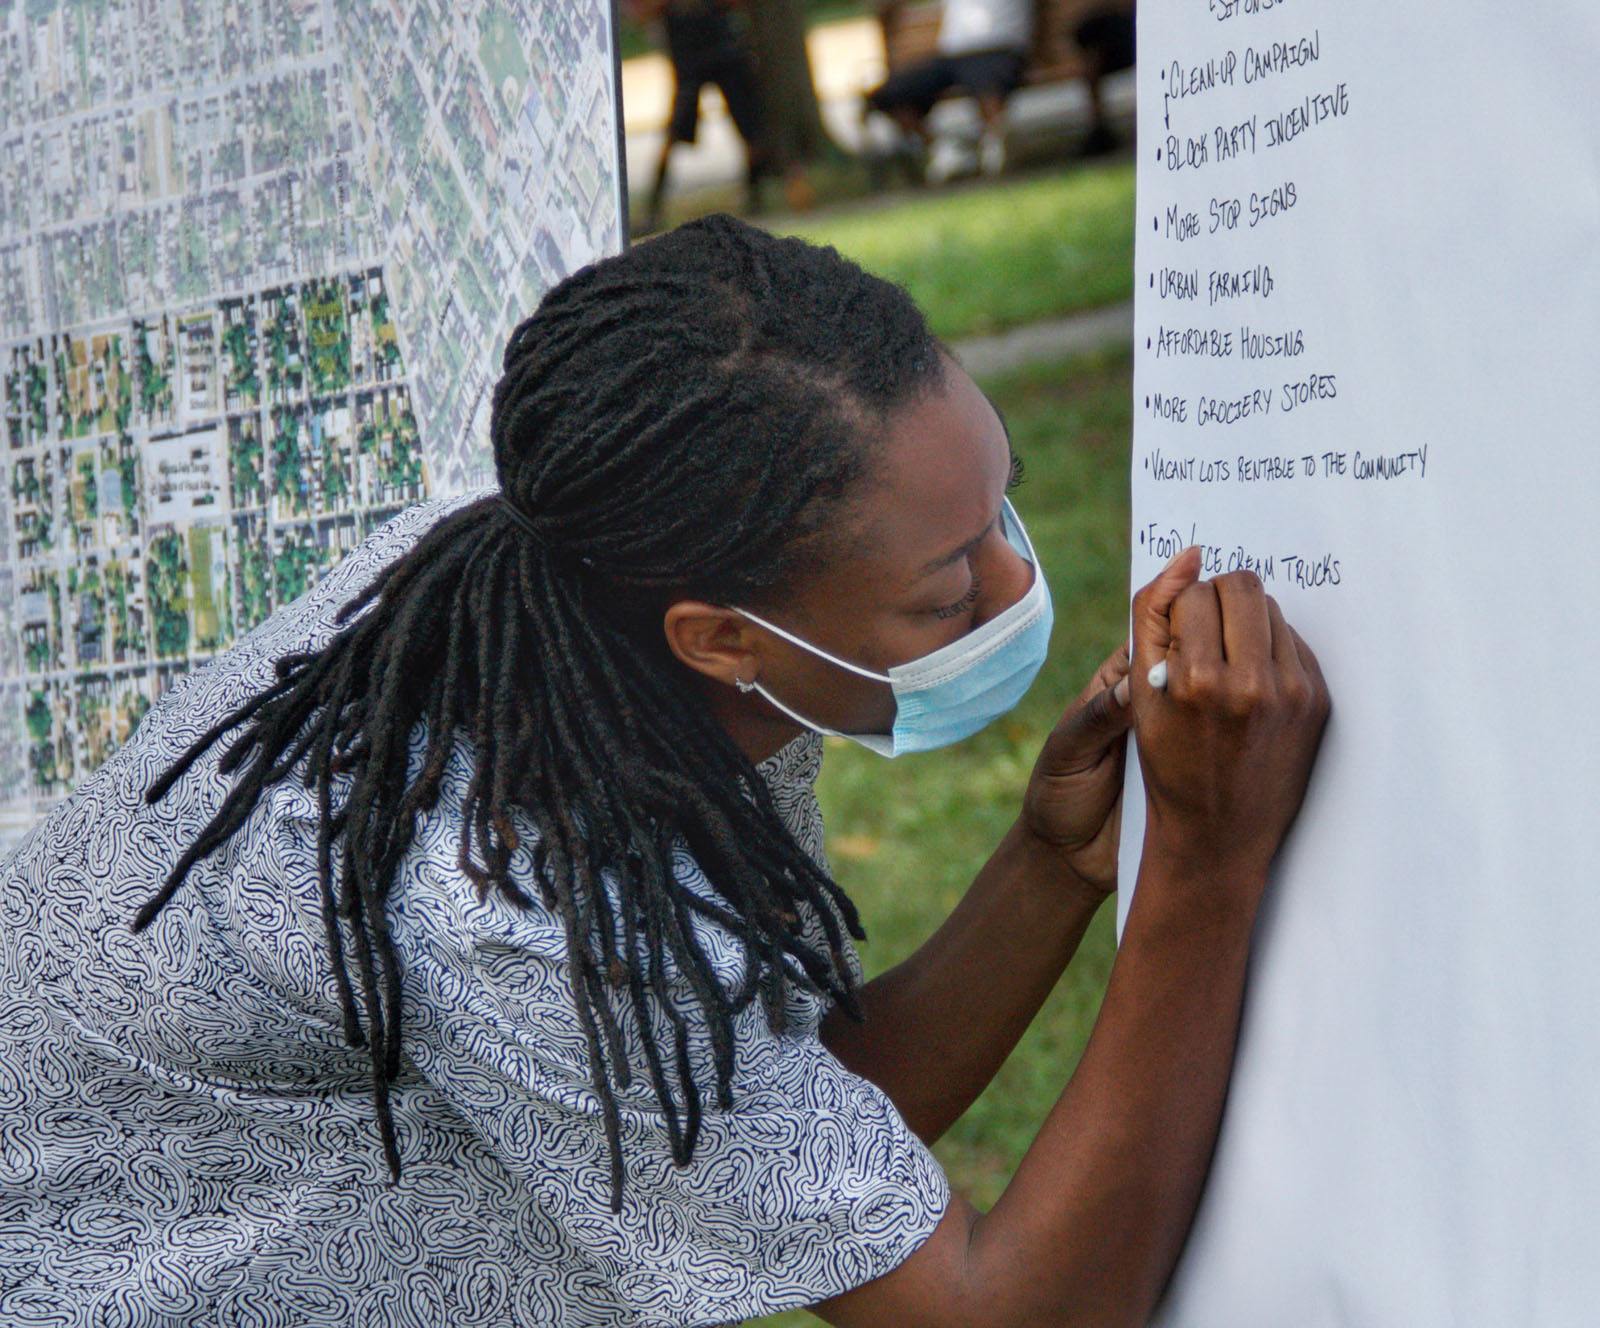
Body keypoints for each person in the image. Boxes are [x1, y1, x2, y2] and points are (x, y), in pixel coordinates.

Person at [0, 215, 1328, 1326]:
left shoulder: (591, 592)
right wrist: (1202, 869)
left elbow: (762, 1116)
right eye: (944, 592)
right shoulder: (518, 894)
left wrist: (1049, 865)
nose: (1014, 584)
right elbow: (1004, 1313)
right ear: (723, 639)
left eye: (1001, 506)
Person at [630, 0, 809, 232]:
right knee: (675, 133)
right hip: (690, 57)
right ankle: (653, 211)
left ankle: (757, 198)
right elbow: (641, 13)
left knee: (752, 131)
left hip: (722, 52)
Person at [866, 0, 1035, 181]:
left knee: (986, 79)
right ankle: (943, 149)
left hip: (998, 47)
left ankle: (996, 144)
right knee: (891, 93)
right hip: (952, 55)